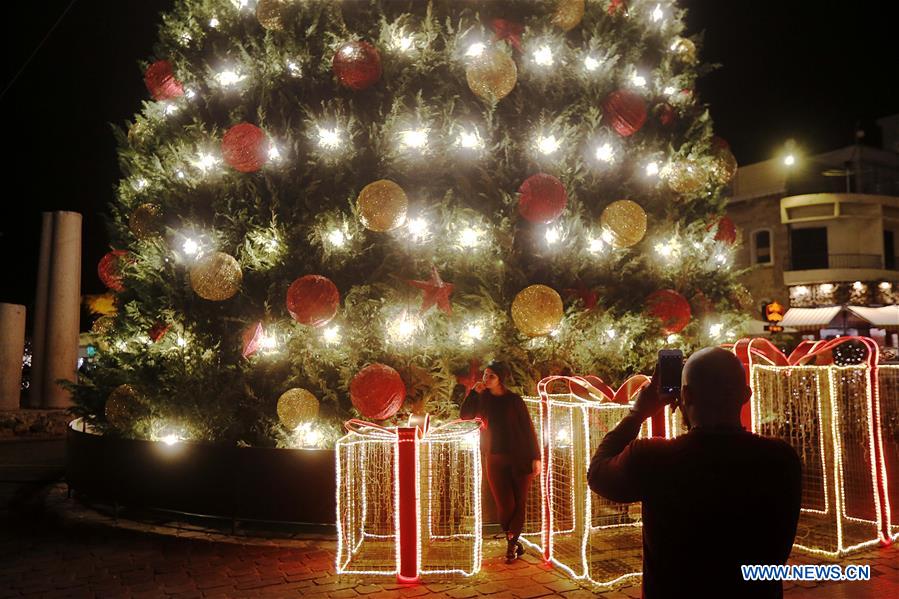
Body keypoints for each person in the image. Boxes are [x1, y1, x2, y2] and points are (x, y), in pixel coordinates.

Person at [587, 347, 801, 598]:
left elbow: (597, 473)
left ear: (685, 394)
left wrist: (638, 414)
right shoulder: (781, 458)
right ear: (746, 395)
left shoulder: (653, 457)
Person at [460, 360, 541, 563]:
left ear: (501, 379)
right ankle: (513, 538)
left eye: (491, 376)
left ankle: (511, 546)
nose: (486, 379)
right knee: (505, 504)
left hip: (520, 457)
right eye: (485, 375)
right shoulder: (483, 398)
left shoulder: (514, 400)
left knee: (519, 502)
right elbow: (465, 416)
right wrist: (473, 393)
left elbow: (528, 429)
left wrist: (536, 457)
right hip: (494, 457)